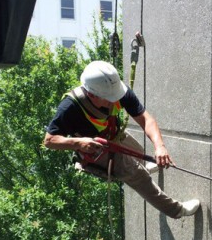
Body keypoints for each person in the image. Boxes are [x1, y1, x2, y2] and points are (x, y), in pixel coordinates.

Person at [43, 60, 200, 219]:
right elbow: (49, 140)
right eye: (107, 98)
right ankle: (177, 210)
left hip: (114, 134)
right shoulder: (70, 107)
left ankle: (142, 167)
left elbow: (146, 120)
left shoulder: (118, 91)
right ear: (91, 94)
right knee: (139, 177)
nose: (113, 100)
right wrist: (78, 143)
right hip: (97, 151)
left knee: (140, 153)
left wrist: (160, 146)